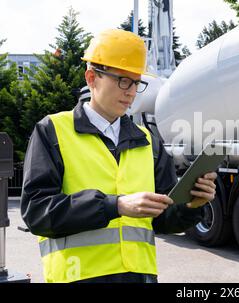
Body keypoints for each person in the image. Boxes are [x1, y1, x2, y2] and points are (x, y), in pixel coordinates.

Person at [20, 29, 217, 283]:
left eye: (136, 82)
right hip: (77, 277)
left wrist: (192, 205)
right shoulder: (52, 131)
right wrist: (116, 205)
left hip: (140, 278)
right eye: (123, 80)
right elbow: (37, 212)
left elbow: (164, 220)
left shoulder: (148, 141)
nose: (131, 92)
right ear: (92, 78)